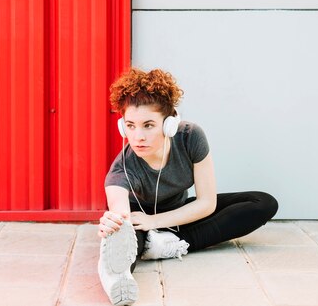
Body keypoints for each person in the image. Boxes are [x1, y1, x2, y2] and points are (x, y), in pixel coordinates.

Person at [97, 67, 278, 306]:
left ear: (169, 124)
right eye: (130, 125)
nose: (138, 136)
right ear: (123, 127)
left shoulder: (190, 137)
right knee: (127, 243)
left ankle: (168, 244)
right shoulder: (122, 170)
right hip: (140, 222)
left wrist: (157, 223)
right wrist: (117, 226)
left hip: (180, 213)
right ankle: (139, 262)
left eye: (148, 125)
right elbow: (121, 213)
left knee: (263, 203)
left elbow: (207, 202)